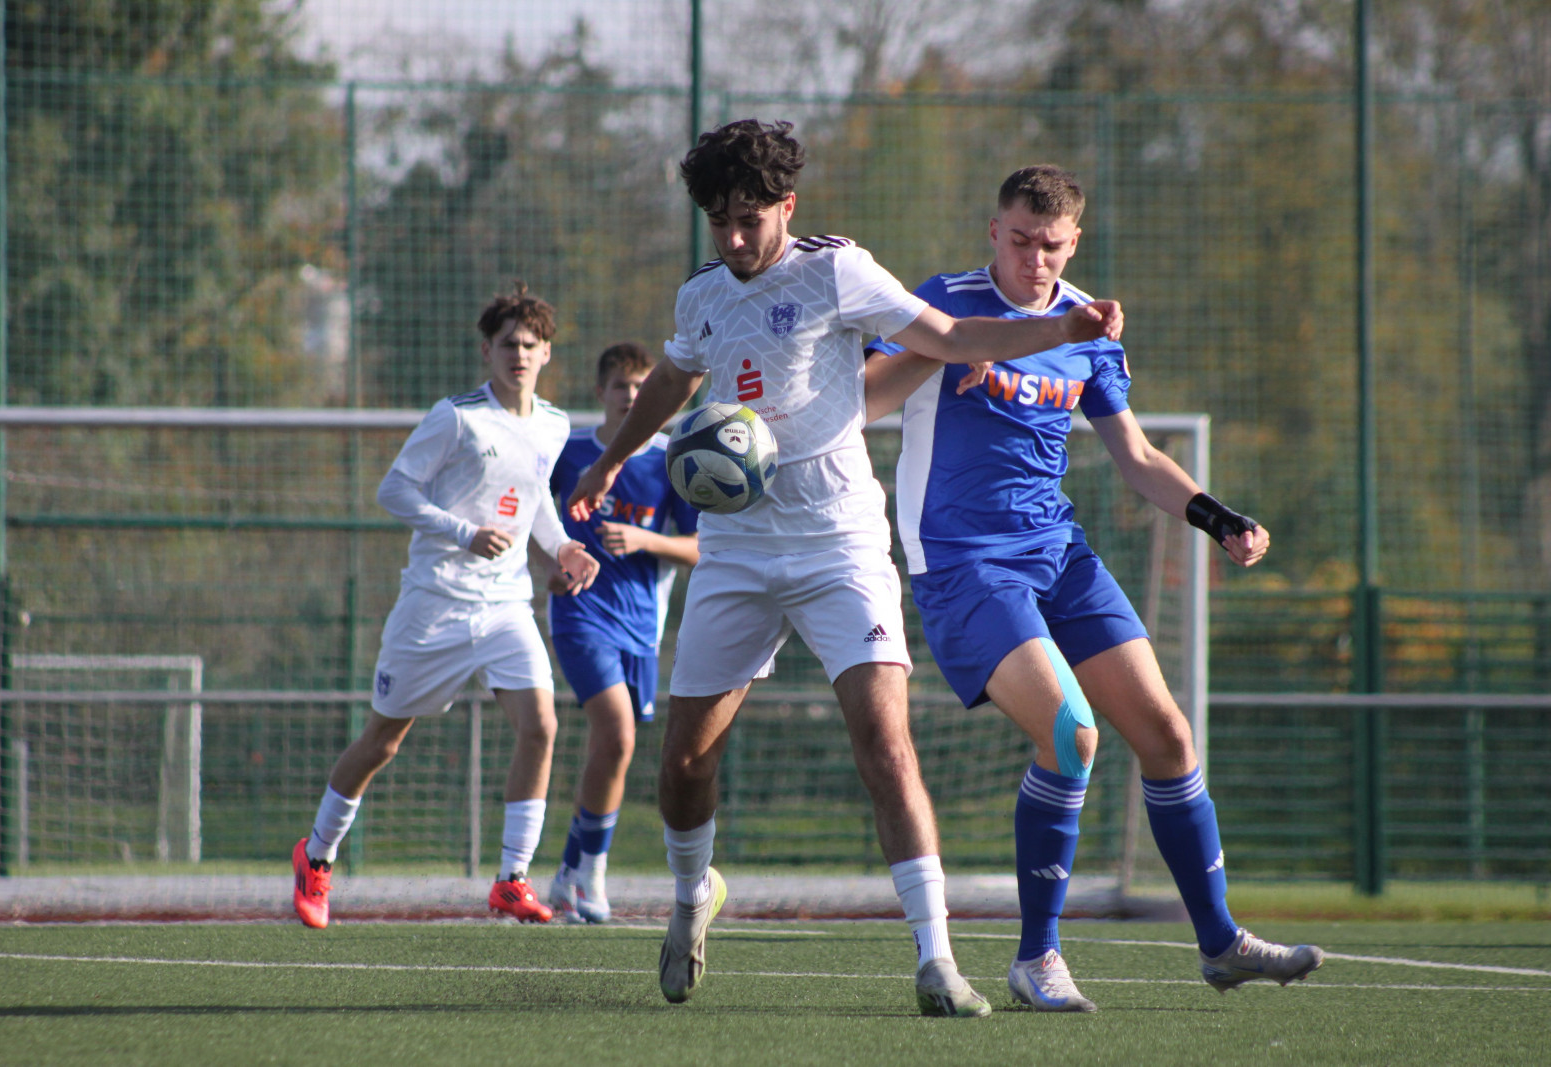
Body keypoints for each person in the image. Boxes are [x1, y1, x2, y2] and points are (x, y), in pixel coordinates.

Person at [566, 120, 1123, 1016]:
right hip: (738, 548)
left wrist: (1062, 325)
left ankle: (937, 960)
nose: (737, 239)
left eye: (751, 218)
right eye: (720, 222)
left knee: (885, 743)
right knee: (682, 764)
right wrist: (605, 462)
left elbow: (947, 335)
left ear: (788, 206)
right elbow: (674, 381)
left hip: (840, 544)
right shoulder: (703, 296)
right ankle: (689, 896)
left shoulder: (838, 270)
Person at [863, 164, 1323, 1012]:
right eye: (1022, 240)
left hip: (1058, 551)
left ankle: (1220, 942)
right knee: (1073, 734)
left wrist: (1219, 518)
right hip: (963, 559)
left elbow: (1139, 459)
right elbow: (864, 400)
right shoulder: (941, 303)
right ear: (993, 232)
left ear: (1075, 242)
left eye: (1054, 245)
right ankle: (1037, 957)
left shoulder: (1087, 327)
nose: (1036, 258)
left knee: (1168, 735)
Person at [292, 284, 600, 929]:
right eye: (507, 344)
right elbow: (394, 490)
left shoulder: (554, 423)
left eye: (530, 345)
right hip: (434, 603)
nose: (519, 354)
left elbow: (537, 494)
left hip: (505, 606)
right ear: (487, 351)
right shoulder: (456, 417)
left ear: (547, 354)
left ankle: (512, 879)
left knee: (541, 726)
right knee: (383, 741)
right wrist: (463, 532)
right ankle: (317, 857)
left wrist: (565, 546)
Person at [542, 342, 701, 923]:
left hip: (641, 627)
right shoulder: (570, 453)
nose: (630, 397)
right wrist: (549, 568)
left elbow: (700, 548)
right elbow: (536, 517)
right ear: (600, 392)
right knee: (617, 735)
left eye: (640, 387)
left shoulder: (669, 460)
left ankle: (566, 873)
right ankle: (592, 878)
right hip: (580, 614)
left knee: (614, 750)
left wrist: (644, 540)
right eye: (620, 387)